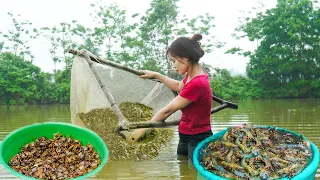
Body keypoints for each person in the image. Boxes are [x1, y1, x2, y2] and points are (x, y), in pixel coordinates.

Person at [129, 33, 213, 160]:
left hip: (198, 138)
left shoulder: (197, 83)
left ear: (185, 58)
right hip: (185, 134)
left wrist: (143, 128)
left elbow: (168, 110)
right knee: (185, 172)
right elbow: (179, 86)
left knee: (194, 174)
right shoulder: (192, 76)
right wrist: (157, 75)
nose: (173, 65)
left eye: (173, 61)